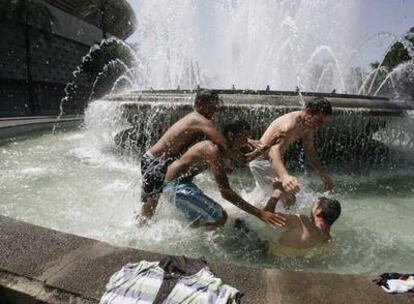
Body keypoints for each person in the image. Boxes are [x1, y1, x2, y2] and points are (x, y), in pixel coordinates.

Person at [163, 119, 286, 229]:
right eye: (243, 137)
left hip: (183, 185)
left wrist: (270, 143)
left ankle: (191, 236)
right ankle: (193, 239)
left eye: (247, 137)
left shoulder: (226, 147)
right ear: (231, 135)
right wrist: (260, 214)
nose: (246, 142)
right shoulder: (212, 150)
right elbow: (225, 192)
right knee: (220, 217)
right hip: (175, 187)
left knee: (202, 220)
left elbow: (244, 159)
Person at [138, 89, 228, 222]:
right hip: (155, 163)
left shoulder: (197, 119)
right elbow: (222, 142)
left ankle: (139, 228)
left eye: (216, 106)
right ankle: (137, 232)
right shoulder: (198, 119)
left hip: (153, 161)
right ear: (199, 103)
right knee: (149, 208)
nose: (214, 110)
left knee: (150, 206)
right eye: (211, 106)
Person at [249, 97, 335, 207]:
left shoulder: (308, 124)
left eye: (323, 123)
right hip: (262, 162)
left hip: (270, 162)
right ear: (308, 111)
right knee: (289, 199)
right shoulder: (289, 125)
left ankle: (238, 211)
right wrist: (284, 176)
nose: (320, 125)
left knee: (268, 198)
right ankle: (272, 221)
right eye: (319, 120)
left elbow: (310, 150)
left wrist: (322, 173)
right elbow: (273, 151)